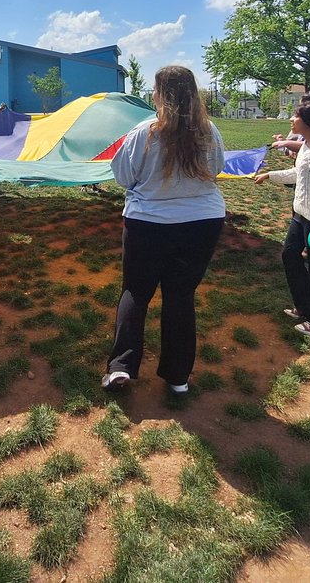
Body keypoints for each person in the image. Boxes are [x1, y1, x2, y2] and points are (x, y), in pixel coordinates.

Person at [103, 66, 226, 395]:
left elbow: (123, 176)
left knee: (136, 293)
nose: (153, 95)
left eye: (155, 90)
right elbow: (215, 171)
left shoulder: (144, 132)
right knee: (180, 296)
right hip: (202, 224)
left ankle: (122, 368)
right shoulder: (210, 131)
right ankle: (177, 377)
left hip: (149, 223)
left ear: (161, 95)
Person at [254, 102, 310, 336]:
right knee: (289, 254)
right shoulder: (307, 146)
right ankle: (304, 307)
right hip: (301, 215)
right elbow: (299, 174)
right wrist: (270, 175)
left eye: (296, 116)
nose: (291, 120)